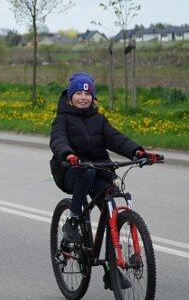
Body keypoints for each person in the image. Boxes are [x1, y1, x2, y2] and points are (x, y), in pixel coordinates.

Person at [49, 72, 160, 243]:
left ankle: (112, 264)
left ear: (93, 98)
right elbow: (58, 140)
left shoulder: (99, 120)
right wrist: (68, 154)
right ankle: (73, 219)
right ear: (70, 97)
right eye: (78, 93)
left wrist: (137, 152)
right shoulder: (62, 119)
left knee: (110, 212)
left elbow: (116, 139)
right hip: (71, 170)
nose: (83, 97)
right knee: (87, 173)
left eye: (87, 94)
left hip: (98, 169)